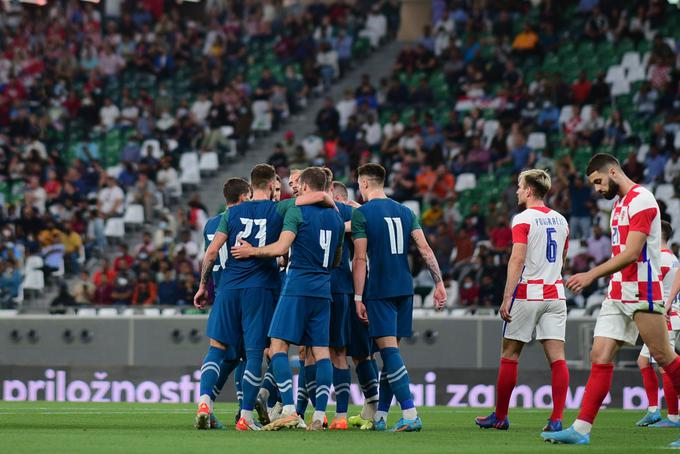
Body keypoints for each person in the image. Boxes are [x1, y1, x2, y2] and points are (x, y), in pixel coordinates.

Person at [543, 154, 680, 447]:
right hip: (617, 292)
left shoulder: (642, 199)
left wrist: (591, 274)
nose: (596, 189)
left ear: (614, 172)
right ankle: (581, 429)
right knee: (599, 356)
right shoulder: (618, 206)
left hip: (643, 290)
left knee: (664, 357)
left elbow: (631, 254)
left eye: (598, 181)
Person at [230, 167, 345, 431]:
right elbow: (337, 258)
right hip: (323, 289)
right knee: (320, 351)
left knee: (277, 345)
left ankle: (291, 409)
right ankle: (319, 415)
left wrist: (251, 251)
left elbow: (281, 248)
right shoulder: (337, 218)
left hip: (297, 287)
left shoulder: (297, 211)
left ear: (304, 187)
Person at [351, 163, 446, 432]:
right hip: (406, 289)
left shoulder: (364, 214)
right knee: (390, 354)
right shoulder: (405, 211)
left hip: (380, 289)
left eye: (359, 185)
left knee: (389, 353)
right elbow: (425, 250)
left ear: (365, 184)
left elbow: (359, 258)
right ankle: (380, 416)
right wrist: (439, 284)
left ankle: (410, 413)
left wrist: (358, 297)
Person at [475, 169, 570, 432]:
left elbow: (517, 259)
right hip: (555, 294)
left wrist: (507, 297)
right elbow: (563, 259)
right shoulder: (562, 221)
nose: (517, 191)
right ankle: (556, 419)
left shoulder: (523, 219)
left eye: (519, 186)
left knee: (510, 355)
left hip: (528, 293)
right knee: (558, 359)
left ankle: (501, 416)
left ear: (529, 190)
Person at [192, 177, 252, 430]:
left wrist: (203, 285)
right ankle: (243, 410)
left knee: (218, 351)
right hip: (248, 293)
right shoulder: (247, 221)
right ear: (242, 197)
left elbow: (210, 255)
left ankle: (205, 403)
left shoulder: (211, 224)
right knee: (250, 354)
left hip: (223, 294)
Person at [635, 221, 680, 427]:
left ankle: (673, 416)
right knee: (643, 361)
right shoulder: (671, 257)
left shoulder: (660, 258)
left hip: (665, 317)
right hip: (664, 315)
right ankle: (654, 410)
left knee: (666, 365)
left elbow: (652, 288)